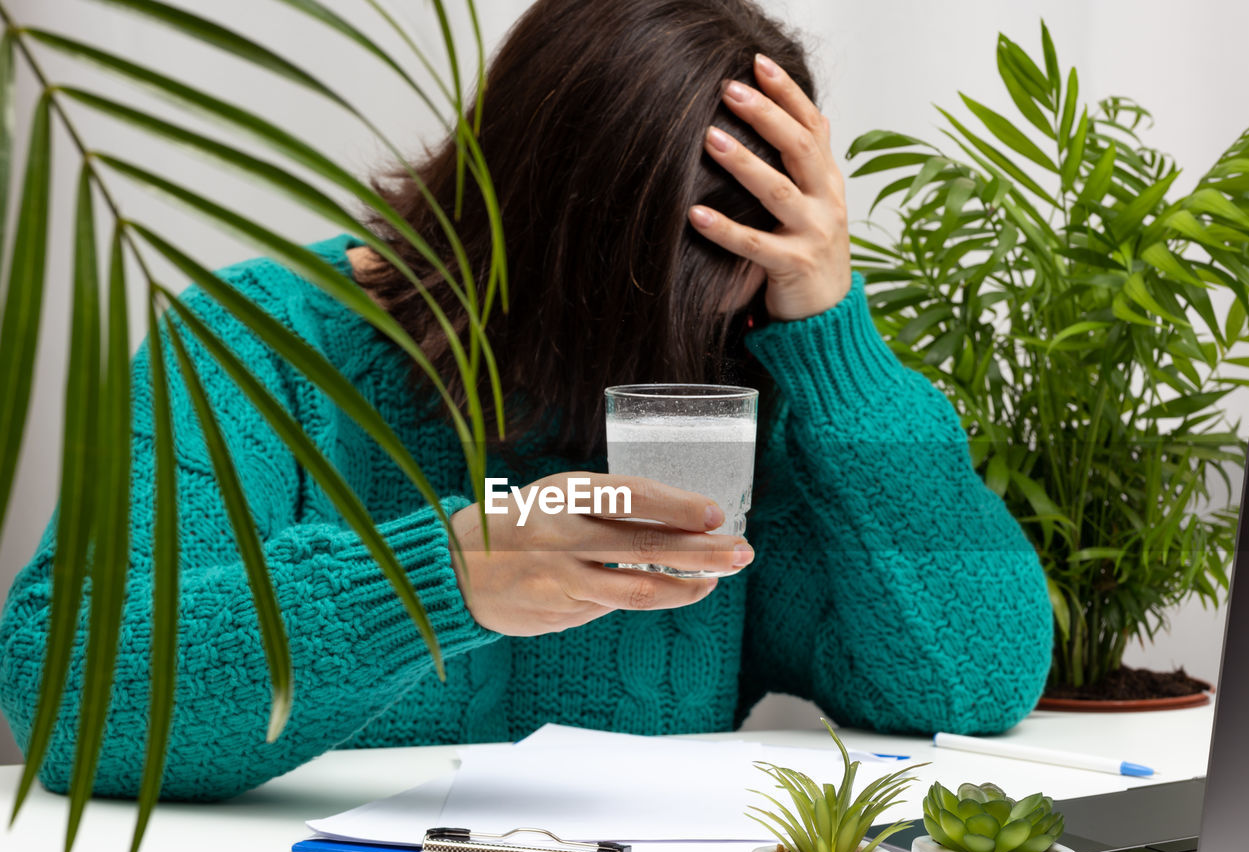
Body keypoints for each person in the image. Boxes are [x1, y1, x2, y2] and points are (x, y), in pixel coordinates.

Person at [0, 0, 1052, 801]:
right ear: (516, 212)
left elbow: (972, 676)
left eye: (721, 300)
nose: (676, 352)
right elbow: (64, 691)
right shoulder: (253, 349)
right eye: (633, 305)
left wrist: (830, 333)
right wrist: (442, 576)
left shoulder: (746, 377)